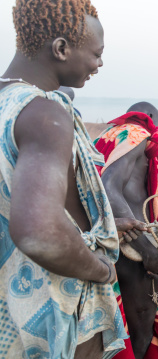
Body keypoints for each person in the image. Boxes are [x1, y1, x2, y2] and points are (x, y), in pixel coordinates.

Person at [0, 1, 147, 357]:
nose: (99, 64)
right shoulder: (44, 114)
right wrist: (99, 270)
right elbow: (38, 231)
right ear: (62, 48)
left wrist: (106, 223)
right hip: (54, 311)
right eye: (97, 54)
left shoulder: (8, 101)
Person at [94, 102, 158, 358]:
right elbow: (108, 187)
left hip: (105, 240)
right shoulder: (137, 134)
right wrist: (147, 249)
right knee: (141, 316)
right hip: (130, 245)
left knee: (118, 317)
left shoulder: (106, 137)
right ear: (150, 119)